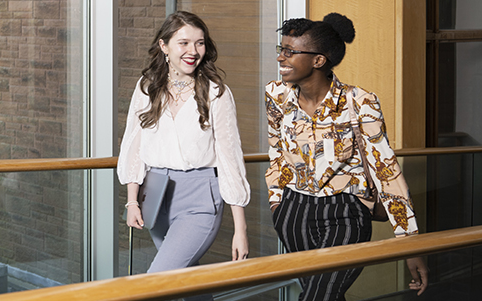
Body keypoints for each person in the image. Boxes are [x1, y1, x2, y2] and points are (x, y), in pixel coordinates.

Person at [264, 13, 429, 301]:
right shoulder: (276, 94)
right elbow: (277, 151)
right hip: (293, 213)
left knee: (317, 298)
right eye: (282, 49)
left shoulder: (359, 101)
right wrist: (277, 202)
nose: (282, 58)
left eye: (290, 52)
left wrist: (409, 242)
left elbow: (386, 170)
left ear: (318, 60)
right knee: (325, 295)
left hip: (345, 213)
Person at [117, 10, 251, 285]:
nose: (193, 51)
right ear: (164, 46)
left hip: (200, 198)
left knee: (156, 281)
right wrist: (132, 200)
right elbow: (134, 146)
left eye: (200, 43)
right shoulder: (146, 88)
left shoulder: (217, 93)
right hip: (155, 196)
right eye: (184, 43)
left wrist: (241, 228)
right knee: (188, 281)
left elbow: (230, 159)